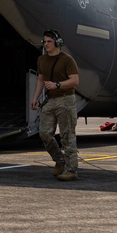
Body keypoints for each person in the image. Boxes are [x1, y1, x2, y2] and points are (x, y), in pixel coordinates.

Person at [30, 29, 80, 181]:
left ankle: (71, 170)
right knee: (44, 133)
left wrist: (57, 84)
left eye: (49, 41)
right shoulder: (42, 60)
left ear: (58, 43)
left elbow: (75, 81)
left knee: (67, 136)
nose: (46, 44)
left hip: (66, 99)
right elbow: (40, 79)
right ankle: (60, 161)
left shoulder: (67, 60)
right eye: (44, 42)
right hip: (50, 101)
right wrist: (35, 97)